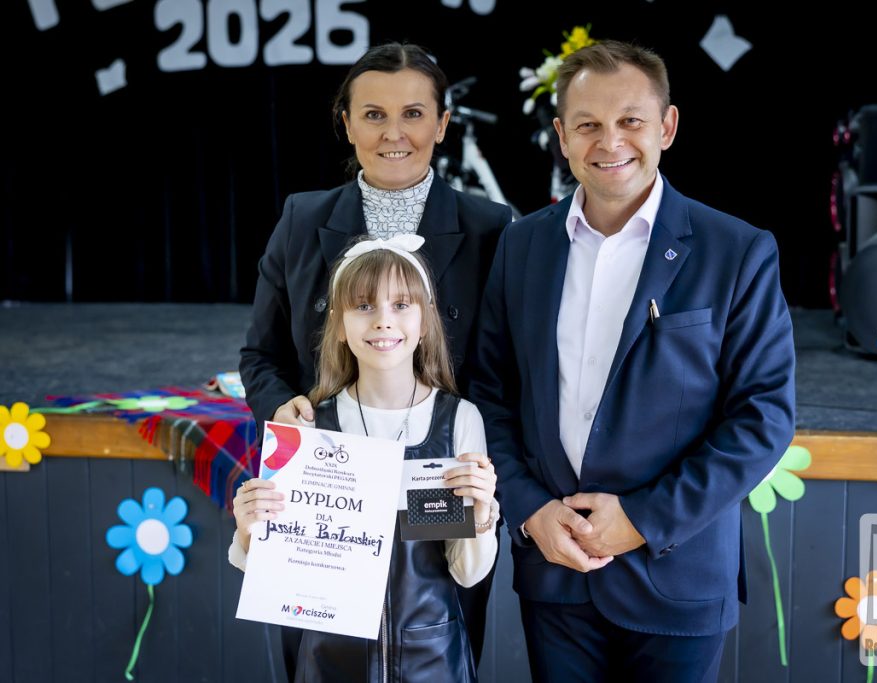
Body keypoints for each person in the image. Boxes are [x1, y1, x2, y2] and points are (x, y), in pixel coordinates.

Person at [469, 41, 796, 682]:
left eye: (630, 121)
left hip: (678, 574)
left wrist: (643, 521)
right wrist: (530, 509)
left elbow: (764, 418)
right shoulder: (521, 245)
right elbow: (490, 394)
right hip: (555, 571)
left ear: (667, 127)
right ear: (562, 136)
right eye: (588, 124)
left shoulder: (738, 250)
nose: (610, 141)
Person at [239, 42, 511, 672]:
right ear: (346, 123)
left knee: (433, 644)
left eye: (413, 113)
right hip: (324, 494)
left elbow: (506, 371)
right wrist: (285, 413)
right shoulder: (301, 218)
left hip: (438, 483)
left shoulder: (493, 228)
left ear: (442, 124)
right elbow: (261, 354)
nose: (394, 133)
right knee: (322, 660)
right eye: (373, 114)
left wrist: (476, 475)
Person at [231, 235, 499, 682]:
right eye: (363, 306)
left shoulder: (460, 420)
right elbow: (277, 572)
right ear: (338, 324)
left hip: (432, 659)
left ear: (426, 319)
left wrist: (483, 514)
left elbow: (467, 573)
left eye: (401, 305)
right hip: (330, 662)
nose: (383, 321)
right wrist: (249, 529)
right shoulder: (310, 426)